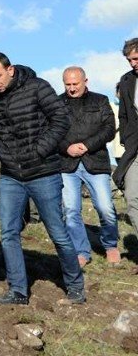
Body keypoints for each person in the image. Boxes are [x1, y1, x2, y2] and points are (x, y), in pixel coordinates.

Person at [0, 53, 84, 305]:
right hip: (11, 176)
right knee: (8, 233)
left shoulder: (38, 87)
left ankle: (75, 287)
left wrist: (40, 150)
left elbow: (61, 120)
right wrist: (2, 152)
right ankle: (18, 290)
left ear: (11, 70)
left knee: (57, 233)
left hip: (44, 173)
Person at [58, 66, 119, 266]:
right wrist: (67, 148)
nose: (72, 88)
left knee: (105, 207)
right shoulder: (56, 104)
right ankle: (81, 251)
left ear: (86, 81)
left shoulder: (100, 100)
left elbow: (109, 128)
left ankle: (110, 245)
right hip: (67, 164)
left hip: (96, 161)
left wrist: (87, 145)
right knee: (71, 210)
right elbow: (50, 132)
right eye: (68, 84)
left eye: (75, 84)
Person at [113, 37, 138, 263]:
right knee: (132, 199)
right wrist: (127, 138)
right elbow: (124, 114)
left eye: (136, 59)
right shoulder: (127, 80)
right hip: (135, 149)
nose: (133, 63)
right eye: (130, 60)